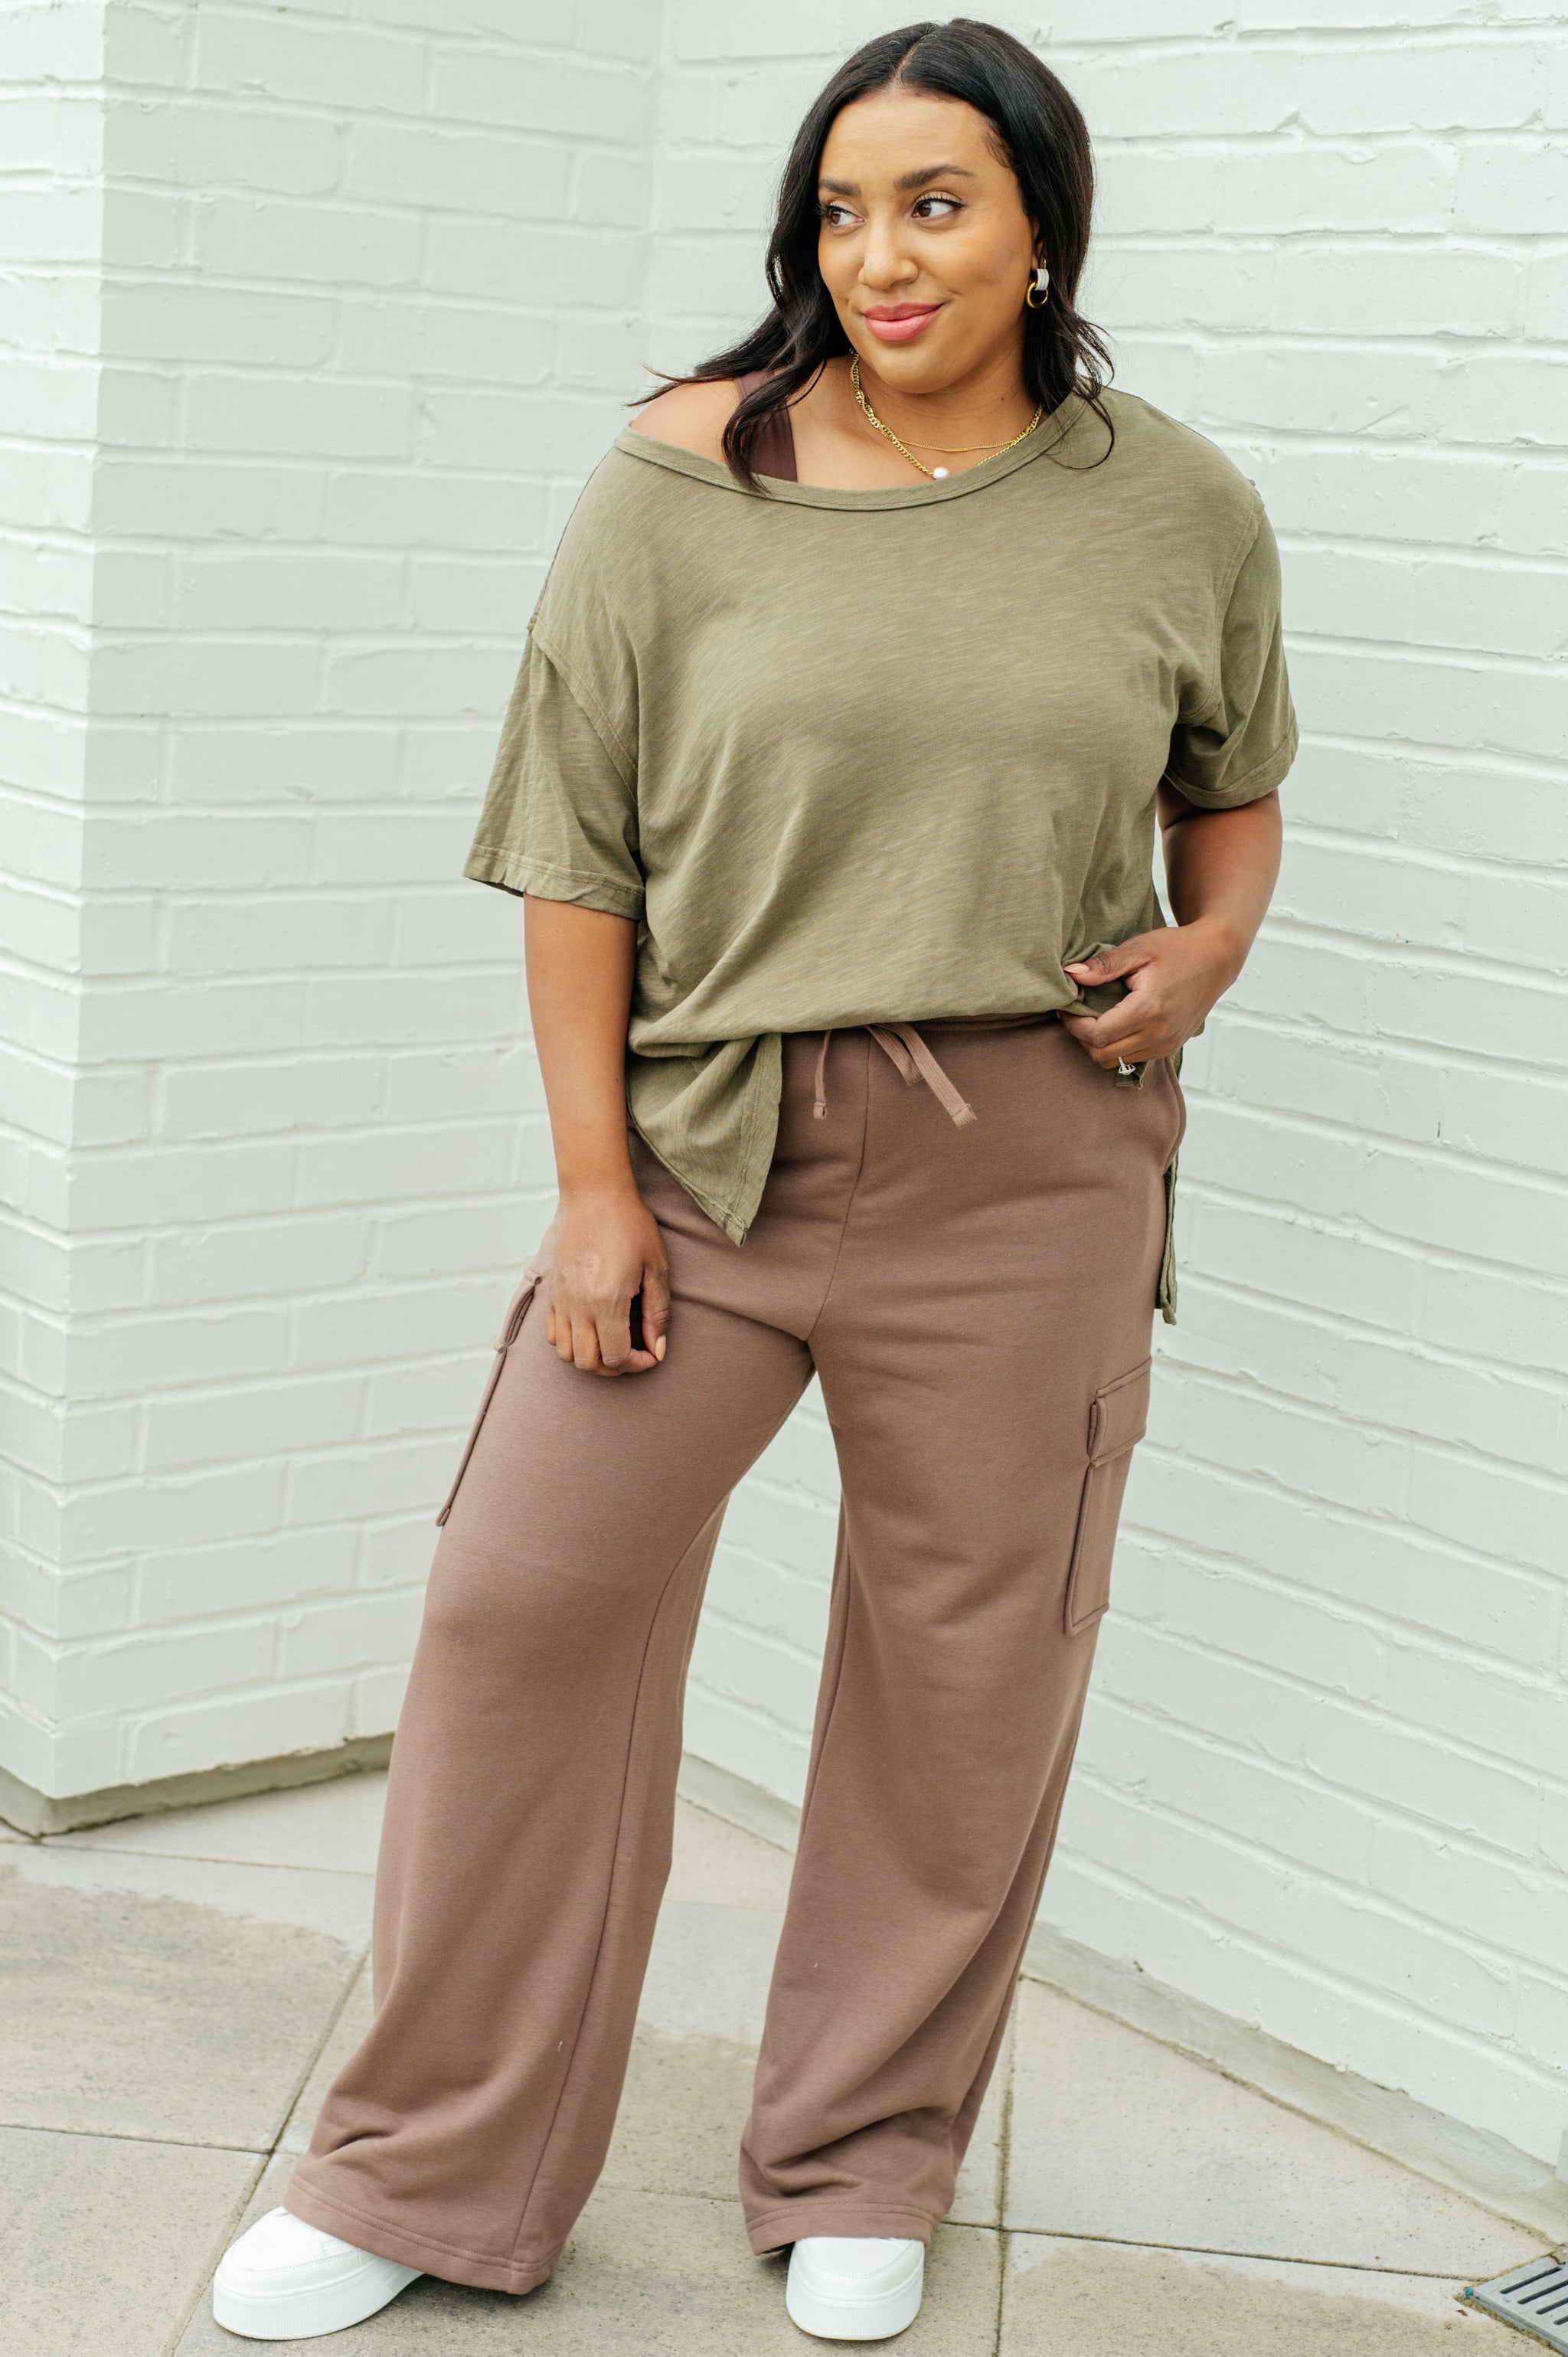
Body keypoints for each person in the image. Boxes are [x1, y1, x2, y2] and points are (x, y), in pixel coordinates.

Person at [211, 16, 1294, 2346]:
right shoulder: (678, 479)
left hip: (1033, 1170)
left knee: (966, 1675)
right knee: (518, 1619)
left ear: (1040, 227)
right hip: (707, 1153)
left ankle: (861, 2159)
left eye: (936, 204)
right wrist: (592, 1190)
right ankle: (428, 2167)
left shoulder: (1177, 506)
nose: (880, 254)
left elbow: (1232, 789)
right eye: (841, 208)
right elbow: (575, 854)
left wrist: (1210, 951)